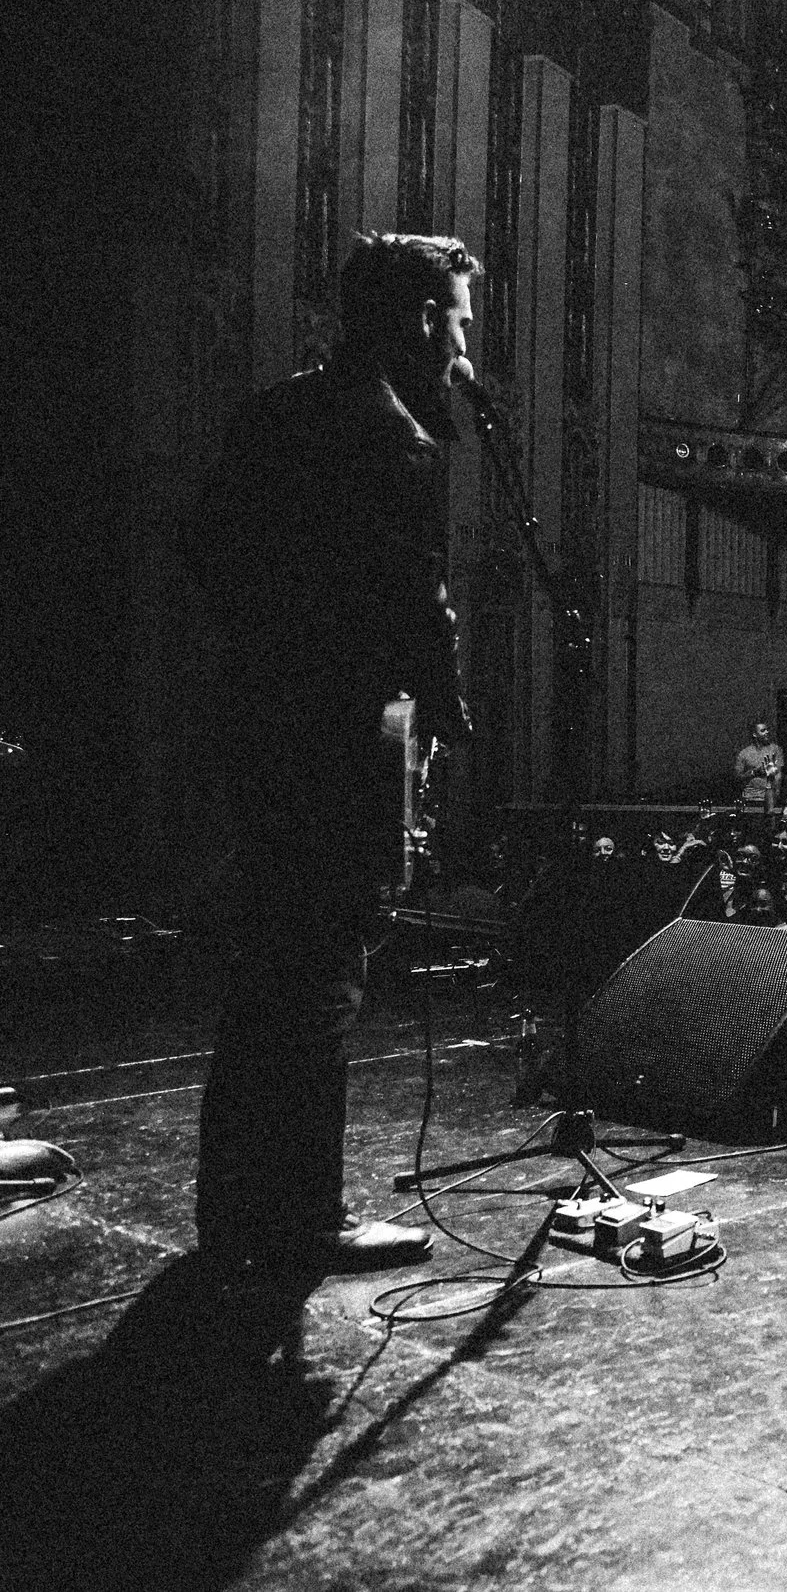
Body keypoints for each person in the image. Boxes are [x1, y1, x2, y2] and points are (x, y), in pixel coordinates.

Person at [180, 231, 477, 1276]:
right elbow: (416, 605)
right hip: (343, 741)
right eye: (456, 323)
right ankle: (304, 1220)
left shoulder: (274, 413)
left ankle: (233, 1217)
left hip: (260, 727)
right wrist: (443, 712)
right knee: (321, 986)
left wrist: (278, 649)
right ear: (417, 320)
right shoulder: (394, 436)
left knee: (269, 976)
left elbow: (205, 548)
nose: (464, 348)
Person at [735, 719, 785, 810]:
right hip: (750, 796)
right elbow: (738, 776)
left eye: (767, 730)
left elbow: (779, 774)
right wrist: (754, 772)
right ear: (754, 734)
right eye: (763, 730)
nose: (767, 732)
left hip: (770, 796)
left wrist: (777, 793)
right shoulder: (744, 753)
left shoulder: (775, 749)